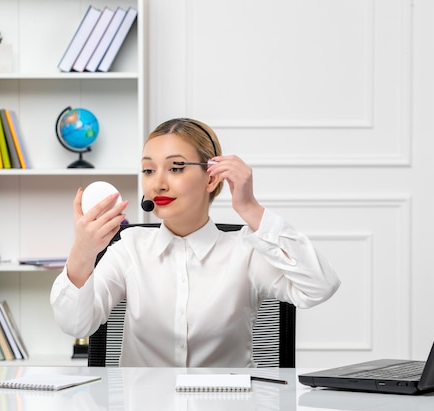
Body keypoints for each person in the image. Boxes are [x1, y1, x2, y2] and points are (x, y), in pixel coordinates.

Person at [50, 118, 340, 367]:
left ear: (211, 179)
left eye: (176, 168)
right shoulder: (129, 249)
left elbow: (319, 286)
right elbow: (75, 323)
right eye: (149, 170)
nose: (158, 183)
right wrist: (83, 251)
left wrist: (251, 209)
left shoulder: (246, 252)